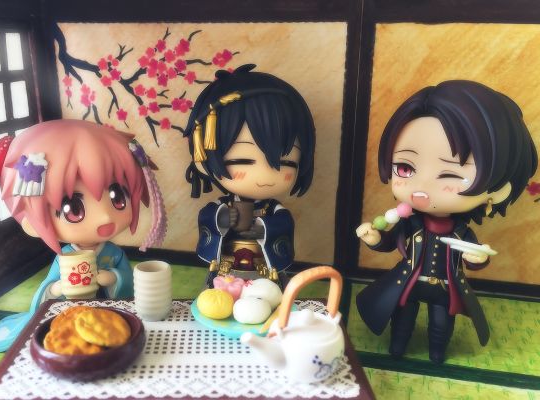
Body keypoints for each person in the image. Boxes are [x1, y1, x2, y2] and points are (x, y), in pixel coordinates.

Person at [0, 119, 166, 352]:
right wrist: (58, 287)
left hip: (109, 315)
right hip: (68, 315)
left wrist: (111, 278)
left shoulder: (113, 255)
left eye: (117, 197)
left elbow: (127, 286)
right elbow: (47, 290)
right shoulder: (65, 258)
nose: (105, 217)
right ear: (32, 221)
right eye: (74, 208)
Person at [355, 81, 538, 363]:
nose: (422, 187)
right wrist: (375, 238)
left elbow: (473, 257)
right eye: (405, 168)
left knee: (441, 324)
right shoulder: (411, 222)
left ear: (499, 190)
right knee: (402, 317)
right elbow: (391, 241)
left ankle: (437, 352)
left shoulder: (462, 231)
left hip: (445, 287)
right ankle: (398, 346)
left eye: (451, 175)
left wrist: (477, 258)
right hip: (409, 282)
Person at [184, 64, 315, 287]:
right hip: (227, 269)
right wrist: (222, 219)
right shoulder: (222, 206)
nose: (264, 175)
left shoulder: (273, 210)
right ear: (202, 158)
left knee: (270, 300)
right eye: (242, 161)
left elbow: (284, 225)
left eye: (286, 163)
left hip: (263, 268)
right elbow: (207, 218)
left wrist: (264, 229)